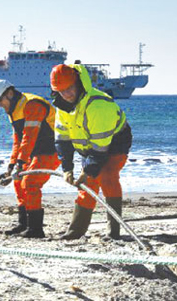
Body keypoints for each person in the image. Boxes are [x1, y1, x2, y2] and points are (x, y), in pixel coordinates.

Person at [50, 64, 132, 240]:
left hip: (115, 142)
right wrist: (67, 169)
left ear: (78, 83)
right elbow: (62, 141)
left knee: (107, 176)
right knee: (87, 186)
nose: (67, 94)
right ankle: (75, 231)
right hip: (90, 147)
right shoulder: (62, 107)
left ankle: (114, 232)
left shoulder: (98, 105)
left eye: (70, 88)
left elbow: (100, 149)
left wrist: (87, 171)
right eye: (61, 91)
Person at [0, 79, 61, 238]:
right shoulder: (13, 111)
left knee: (30, 182)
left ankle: (36, 229)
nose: (0, 105)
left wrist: (20, 163)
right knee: (17, 181)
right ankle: (24, 224)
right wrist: (11, 167)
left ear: (10, 93)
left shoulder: (32, 104)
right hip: (34, 151)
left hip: (51, 150)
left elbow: (30, 136)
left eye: (0, 100)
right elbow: (18, 141)